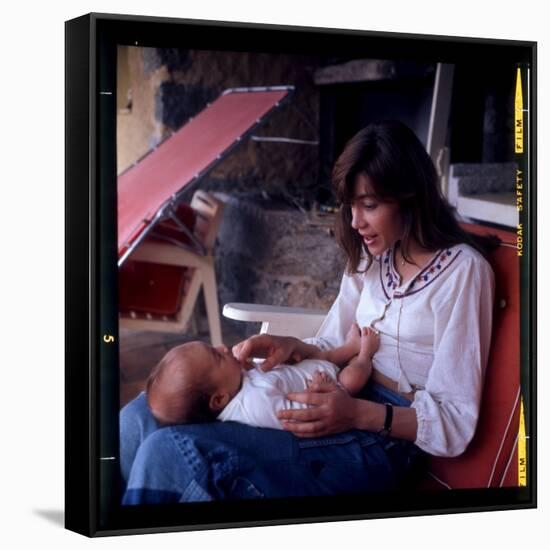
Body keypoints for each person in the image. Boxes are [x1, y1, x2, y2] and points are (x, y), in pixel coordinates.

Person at [120, 120, 497, 504]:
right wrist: (296, 347)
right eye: (350, 205)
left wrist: (356, 414)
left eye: (369, 205)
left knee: (170, 452)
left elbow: (456, 421)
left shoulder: (463, 272)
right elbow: (335, 341)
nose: (355, 222)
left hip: (382, 440)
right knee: (138, 419)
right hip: (327, 392)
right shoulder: (374, 254)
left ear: (411, 197)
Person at [145, 324, 379, 430]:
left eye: (214, 347)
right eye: (217, 357)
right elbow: (297, 416)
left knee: (322, 354)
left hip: (311, 365)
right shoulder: (254, 405)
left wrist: (252, 365)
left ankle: (349, 348)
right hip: (330, 387)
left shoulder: (233, 384)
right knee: (352, 380)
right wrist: (320, 391)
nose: (223, 347)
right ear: (219, 400)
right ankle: (364, 356)